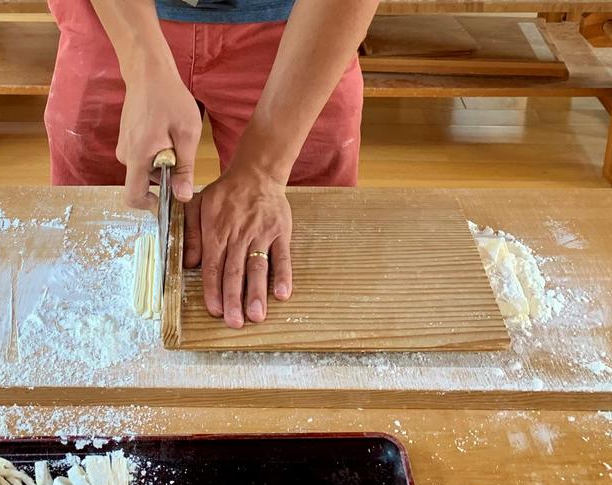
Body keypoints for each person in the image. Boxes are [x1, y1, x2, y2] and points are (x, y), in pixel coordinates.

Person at [45, 0, 379, 329]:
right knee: (85, 256)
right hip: (114, 15)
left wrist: (264, 169)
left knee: (302, 268)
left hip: (307, 25)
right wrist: (142, 63)